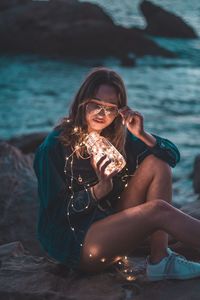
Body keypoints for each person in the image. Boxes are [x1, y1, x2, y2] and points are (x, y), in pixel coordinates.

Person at [34, 67, 200, 281]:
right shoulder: (54, 147)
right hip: (77, 243)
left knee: (158, 163)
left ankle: (160, 260)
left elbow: (172, 157)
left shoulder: (117, 138)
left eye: (110, 108)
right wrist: (96, 192)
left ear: (120, 111)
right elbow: (54, 213)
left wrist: (142, 134)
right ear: (82, 102)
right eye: (96, 104)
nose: (102, 114)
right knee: (159, 211)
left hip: (111, 225)